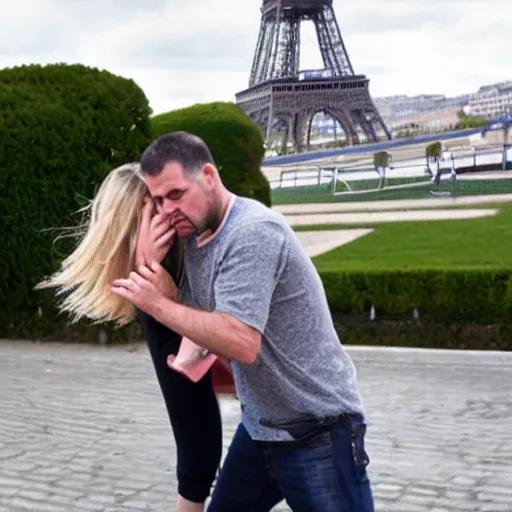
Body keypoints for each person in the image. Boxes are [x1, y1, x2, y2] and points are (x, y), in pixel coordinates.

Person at [112, 131, 375, 511]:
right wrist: (151, 268)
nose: (167, 210)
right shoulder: (195, 237)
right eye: (157, 200)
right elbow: (200, 325)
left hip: (318, 432)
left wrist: (159, 304)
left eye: (175, 194)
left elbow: (241, 342)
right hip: (260, 431)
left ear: (208, 175)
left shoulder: (252, 232)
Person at [35, 163, 225, 512]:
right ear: (127, 226)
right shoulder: (154, 283)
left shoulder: (196, 250)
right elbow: (192, 423)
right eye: (153, 209)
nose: (167, 214)